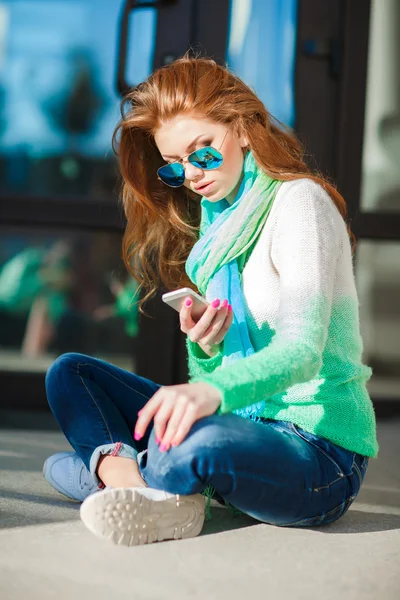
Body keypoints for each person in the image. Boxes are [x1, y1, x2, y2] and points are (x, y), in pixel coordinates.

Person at [42, 54, 378, 547]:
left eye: (202, 152)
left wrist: (210, 395)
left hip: (319, 454)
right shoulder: (216, 229)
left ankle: (122, 474)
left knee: (198, 437)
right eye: (175, 167)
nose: (194, 175)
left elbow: (303, 351)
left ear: (242, 128)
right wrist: (206, 348)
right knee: (71, 374)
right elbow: (217, 377)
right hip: (245, 426)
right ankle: (147, 486)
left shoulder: (300, 203)